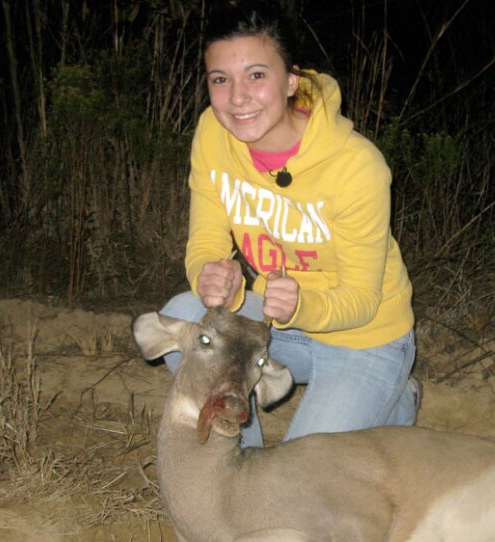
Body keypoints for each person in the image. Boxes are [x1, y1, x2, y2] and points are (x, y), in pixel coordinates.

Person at [158, 0, 418, 448]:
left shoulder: (358, 166)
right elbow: (205, 240)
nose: (237, 97)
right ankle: (243, 454)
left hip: (365, 338)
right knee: (184, 319)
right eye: (221, 80)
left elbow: (361, 298)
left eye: (257, 75)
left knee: (301, 468)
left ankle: (393, 397)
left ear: (291, 80)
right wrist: (211, 277)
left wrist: (301, 307)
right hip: (276, 328)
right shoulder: (212, 133)